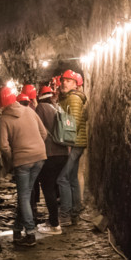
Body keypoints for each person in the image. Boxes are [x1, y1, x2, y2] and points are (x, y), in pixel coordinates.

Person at [0, 86, 47, 247]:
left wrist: (12, 160)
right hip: (40, 157)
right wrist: (36, 147)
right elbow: (44, 133)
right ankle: (17, 229)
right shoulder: (29, 110)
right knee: (25, 195)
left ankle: (30, 233)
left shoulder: (4, 119)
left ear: (0, 103)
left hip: (22, 160)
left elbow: (3, 146)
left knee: (24, 196)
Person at [32, 86, 68, 235]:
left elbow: (36, 130)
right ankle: (56, 219)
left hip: (50, 154)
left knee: (48, 189)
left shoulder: (41, 108)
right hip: (63, 153)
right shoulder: (57, 107)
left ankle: (54, 225)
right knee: (53, 187)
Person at [57, 69, 87, 226]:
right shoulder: (70, 97)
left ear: (76, 84)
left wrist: (68, 143)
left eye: (68, 81)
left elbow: (72, 122)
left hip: (73, 143)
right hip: (76, 143)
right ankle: (75, 212)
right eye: (63, 80)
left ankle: (66, 215)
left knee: (62, 178)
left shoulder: (74, 98)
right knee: (73, 178)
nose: (64, 83)